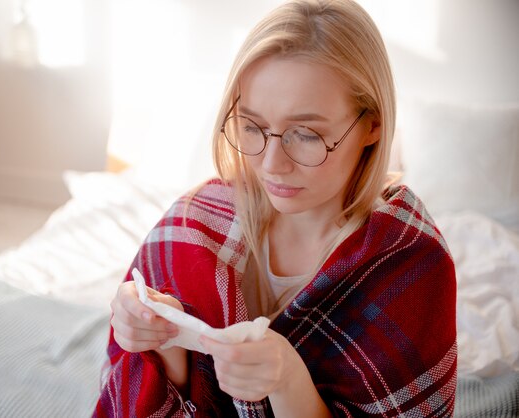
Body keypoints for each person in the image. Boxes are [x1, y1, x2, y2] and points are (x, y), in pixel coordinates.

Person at [93, 0, 457, 416]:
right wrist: (163, 337)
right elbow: (158, 393)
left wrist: (286, 379)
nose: (271, 165)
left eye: (304, 134)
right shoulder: (191, 226)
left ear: (372, 124)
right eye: (251, 127)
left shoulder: (412, 267)